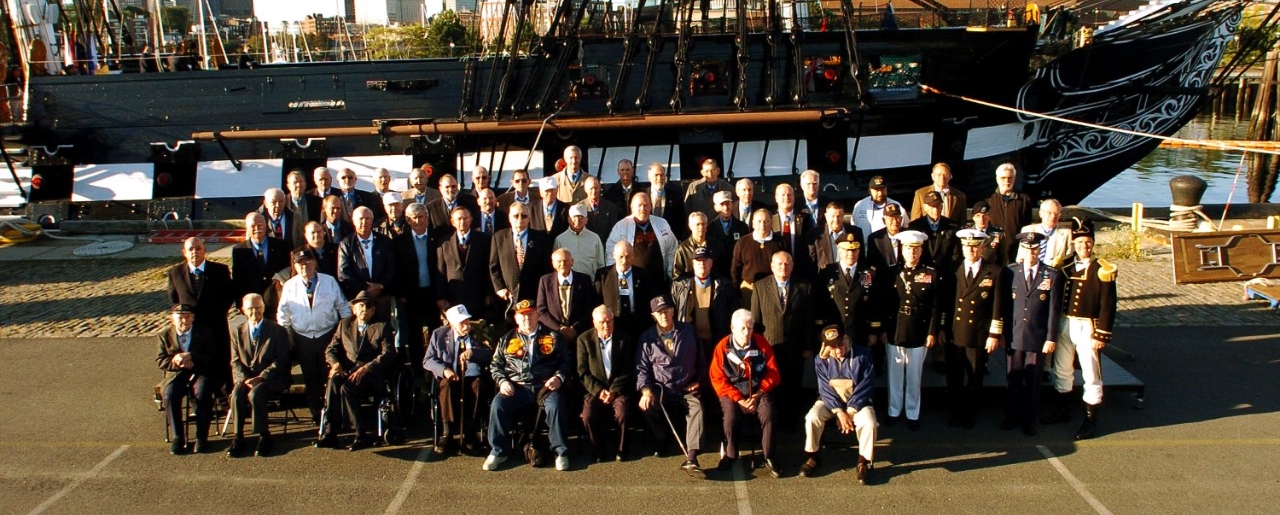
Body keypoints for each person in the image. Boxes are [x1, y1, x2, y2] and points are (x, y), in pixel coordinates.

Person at [1043, 217, 1117, 440]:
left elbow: (1108, 304)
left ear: (1093, 243)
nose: (1084, 246)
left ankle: (1090, 419)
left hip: (1087, 325)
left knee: (1090, 372)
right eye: (1079, 242)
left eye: (1087, 242)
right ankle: (1063, 409)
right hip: (1065, 323)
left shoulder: (1102, 269)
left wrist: (1102, 333)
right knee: (1062, 367)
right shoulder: (1063, 265)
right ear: (1073, 244)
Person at [484, 300, 574, 471]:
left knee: (556, 407)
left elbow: (567, 361)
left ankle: (560, 452)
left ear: (538, 316)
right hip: (517, 387)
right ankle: (498, 451)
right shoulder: (506, 339)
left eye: (531, 315)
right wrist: (502, 382)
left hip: (545, 387)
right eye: (523, 316)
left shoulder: (554, 337)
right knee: (498, 405)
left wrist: (559, 378)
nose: (527, 319)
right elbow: (495, 365)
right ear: (516, 318)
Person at [636, 295, 707, 479]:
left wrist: (698, 380)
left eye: (667, 310)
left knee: (696, 408)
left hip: (686, 387)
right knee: (647, 406)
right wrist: (646, 390)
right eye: (660, 312)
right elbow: (641, 368)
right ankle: (662, 439)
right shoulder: (646, 338)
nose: (664, 315)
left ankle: (692, 456)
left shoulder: (688, 331)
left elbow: (701, 360)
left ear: (673, 311)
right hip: (662, 389)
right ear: (653, 315)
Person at [315, 292, 396, 451]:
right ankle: (330, 432)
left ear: (373, 310)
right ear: (353, 309)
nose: (364, 309)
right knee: (333, 381)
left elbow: (388, 354)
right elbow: (331, 349)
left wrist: (367, 368)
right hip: (348, 370)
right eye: (361, 305)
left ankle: (360, 434)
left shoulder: (382, 326)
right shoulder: (344, 325)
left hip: (372, 375)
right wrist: (335, 363)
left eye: (368, 306)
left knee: (347, 388)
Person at [277, 248, 350, 425]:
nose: (305, 266)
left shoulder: (329, 281)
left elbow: (344, 308)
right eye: (300, 263)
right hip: (303, 338)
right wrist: (286, 338)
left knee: (330, 376)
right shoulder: (290, 286)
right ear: (294, 266)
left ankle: (333, 412)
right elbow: (282, 316)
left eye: (308, 262)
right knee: (311, 378)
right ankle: (316, 414)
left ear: (315, 262)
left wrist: (345, 333)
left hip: (327, 335)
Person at [942, 228, 1006, 429]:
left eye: (975, 245)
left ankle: (970, 413)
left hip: (977, 333)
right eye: (966, 245)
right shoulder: (952, 268)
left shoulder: (994, 271)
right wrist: (942, 328)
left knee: (975, 376)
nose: (970, 249)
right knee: (954, 377)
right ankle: (955, 412)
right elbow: (946, 303)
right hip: (954, 332)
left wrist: (994, 334)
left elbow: (998, 306)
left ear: (982, 247)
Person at [1001, 232, 1063, 436]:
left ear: (1040, 250)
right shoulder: (1011, 272)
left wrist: (1051, 338)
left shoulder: (1051, 275)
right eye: (1027, 248)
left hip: (1037, 337)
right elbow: (1004, 307)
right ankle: (1010, 416)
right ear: (1022, 249)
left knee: (1033, 382)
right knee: (1013, 379)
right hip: (1014, 334)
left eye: (1035, 249)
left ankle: (1029, 420)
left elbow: (1054, 310)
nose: (1031, 252)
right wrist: (1001, 333)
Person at [799, 325, 877, 483]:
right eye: (832, 347)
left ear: (846, 339)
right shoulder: (821, 360)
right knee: (812, 418)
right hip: (831, 401)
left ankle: (863, 462)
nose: (838, 350)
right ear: (826, 347)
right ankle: (813, 457)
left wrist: (850, 411)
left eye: (840, 344)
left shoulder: (863, 354)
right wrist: (839, 412)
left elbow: (866, 385)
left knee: (869, 423)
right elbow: (825, 389)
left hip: (857, 402)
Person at [709, 309, 782, 478]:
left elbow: (774, 373)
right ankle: (731, 453)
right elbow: (717, 379)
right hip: (732, 391)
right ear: (732, 328)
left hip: (758, 390)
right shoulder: (722, 347)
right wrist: (738, 399)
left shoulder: (761, 343)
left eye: (750, 328)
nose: (747, 332)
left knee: (768, 413)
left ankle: (769, 455)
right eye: (742, 328)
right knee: (730, 416)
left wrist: (758, 394)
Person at [749, 251, 815, 423]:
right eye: (779, 264)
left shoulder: (804, 287)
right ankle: (772, 419)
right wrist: (756, 347)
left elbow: (809, 320)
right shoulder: (760, 286)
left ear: (792, 266)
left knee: (793, 384)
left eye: (787, 264)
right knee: (771, 385)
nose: (783, 267)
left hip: (795, 346)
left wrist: (808, 346)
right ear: (772, 266)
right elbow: (755, 320)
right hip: (769, 347)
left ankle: (790, 419)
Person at [883, 230, 937, 431]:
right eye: (907, 249)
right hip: (896, 327)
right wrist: (884, 330)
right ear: (901, 250)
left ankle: (913, 412)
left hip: (919, 328)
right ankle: (894, 410)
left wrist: (931, 331)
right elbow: (886, 304)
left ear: (921, 251)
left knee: (914, 375)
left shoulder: (930, 273)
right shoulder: (892, 272)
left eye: (915, 250)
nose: (911, 254)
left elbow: (935, 306)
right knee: (895, 374)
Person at [424, 305, 495, 456]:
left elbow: (492, 354)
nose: (466, 325)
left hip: (472, 375)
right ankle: (448, 433)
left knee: (479, 386)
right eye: (461, 322)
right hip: (452, 376)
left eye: (467, 321)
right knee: (447, 386)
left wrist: (474, 353)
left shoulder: (480, 332)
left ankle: (471, 433)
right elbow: (428, 360)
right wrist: (444, 370)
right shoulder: (438, 334)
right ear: (451, 324)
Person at [227, 293, 291, 458]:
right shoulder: (237, 332)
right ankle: (238, 436)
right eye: (251, 308)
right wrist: (244, 380)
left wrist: (262, 377)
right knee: (236, 394)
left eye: (258, 307)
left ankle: (264, 435)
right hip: (247, 378)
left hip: (273, 378)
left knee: (257, 393)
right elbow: (235, 361)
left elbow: (281, 361)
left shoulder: (277, 331)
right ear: (243, 310)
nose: (255, 311)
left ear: (264, 308)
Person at [166, 237, 235, 391]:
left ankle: (225, 400)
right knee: (195, 365)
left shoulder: (220, 270)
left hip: (216, 325)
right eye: (191, 249)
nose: (195, 252)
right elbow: (174, 300)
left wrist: (216, 314)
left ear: (205, 250)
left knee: (221, 363)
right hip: (192, 329)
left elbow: (228, 296)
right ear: (184, 252)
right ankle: (198, 402)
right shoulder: (175, 273)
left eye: (198, 248)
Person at [577, 306, 636, 462]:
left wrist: (614, 391)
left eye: (609, 321)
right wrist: (598, 391)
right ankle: (597, 449)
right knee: (588, 414)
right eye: (602, 322)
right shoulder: (584, 339)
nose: (606, 325)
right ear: (594, 323)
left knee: (622, 411)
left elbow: (628, 368)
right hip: (595, 389)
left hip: (618, 388)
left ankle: (622, 449)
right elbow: (582, 372)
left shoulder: (624, 338)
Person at [157, 303, 216, 455]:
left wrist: (193, 357)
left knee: (203, 393)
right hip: (176, 374)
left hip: (199, 372)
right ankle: (178, 436)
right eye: (180, 318)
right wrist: (176, 361)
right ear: (172, 319)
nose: (184, 321)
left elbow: (212, 356)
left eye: (188, 317)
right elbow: (161, 361)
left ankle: (201, 437)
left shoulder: (205, 333)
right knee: (170, 394)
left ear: (193, 317)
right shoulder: (164, 335)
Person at [815, 233, 882, 348]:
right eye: (846, 250)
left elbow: (874, 304)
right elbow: (819, 304)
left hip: (860, 332)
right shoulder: (827, 272)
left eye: (854, 250)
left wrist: (873, 331)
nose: (851, 254)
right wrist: (820, 329)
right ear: (839, 251)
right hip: (833, 333)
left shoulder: (868, 273)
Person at [393, 202, 439, 367]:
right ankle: (418, 372)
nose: (419, 221)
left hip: (433, 294)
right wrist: (402, 295)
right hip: (412, 296)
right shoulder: (400, 242)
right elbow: (396, 270)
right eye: (414, 218)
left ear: (427, 217)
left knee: (436, 332)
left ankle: (436, 369)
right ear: (408, 220)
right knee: (414, 336)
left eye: (422, 217)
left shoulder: (437, 238)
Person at [670, 246, 737, 357]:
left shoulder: (724, 286)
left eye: (705, 260)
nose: (702, 264)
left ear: (711, 262)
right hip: (689, 343)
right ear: (692, 263)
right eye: (698, 261)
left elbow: (733, 313)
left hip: (716, 342)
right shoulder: (680, 286)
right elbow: (674, 313)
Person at [436, 205, 494, 321]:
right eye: (459, 219)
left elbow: (490, 268)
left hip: (478, 296)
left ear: (471, 219)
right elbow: (441, 271)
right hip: (454, 297)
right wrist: (441, 297)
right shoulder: (444, 243)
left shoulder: (484, 240)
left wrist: (489, 293)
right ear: (452, 222)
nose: (462, 221)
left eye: (465, 218)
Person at [605, 192, 680, 282]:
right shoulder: (621, 226)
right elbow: (610, 254)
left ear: (650, 207)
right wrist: (618, 278)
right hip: (634, 282)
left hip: (658, 281)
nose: (643, 208)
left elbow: (673, 249)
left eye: (646, 205)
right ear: (632, 208)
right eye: (639, 205)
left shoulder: (662, 224)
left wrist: (670, 273)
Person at [337, 207, 397, 315]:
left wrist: (380, 285)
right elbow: (343, 273)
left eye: (368, 218)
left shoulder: (385, 241)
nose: (364, 222)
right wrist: (365, 288)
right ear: (354, 221)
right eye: (361, 219)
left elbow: (392, 267)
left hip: (383, 296)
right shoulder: (346, 244)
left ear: (372, 220)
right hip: (359, 299)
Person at [491, 202, 554, 305]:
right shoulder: (498, 237)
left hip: (534, 295)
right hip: (508, 297)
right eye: (516, 216)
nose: (520, 219)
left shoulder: (541, 238)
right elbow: (493, 267)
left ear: (529, 218)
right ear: (509, 217)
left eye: (524, 216)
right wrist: (500, 288)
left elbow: (547, 267)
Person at [232, 212, 291, 320]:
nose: (257, 229)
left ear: (266, 226)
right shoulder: (239, 250)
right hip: (253, 305)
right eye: (253, 226)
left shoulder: (281, 246)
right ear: (247, 228)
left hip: (276, 302)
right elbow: (237, 279)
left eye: (260, 225)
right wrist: (240, 303)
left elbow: (288, 269)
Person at [596, 241, 658, 336]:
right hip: (613, 326)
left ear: (633, 256)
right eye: (621, 257)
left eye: (628, 256)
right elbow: (597, 302)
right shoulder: (602, 275)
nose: (624, 261)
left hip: (637, 326)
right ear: (614, 255)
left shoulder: (643, 275)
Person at [536, 249, 598, 341]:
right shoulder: (545, 281)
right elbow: (541, 311)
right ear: (553, 264)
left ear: (572, 262)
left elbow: (589, 308)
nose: (562, 264)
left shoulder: (584, 280)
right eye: (559, 261)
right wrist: (559, 328)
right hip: (554, 335)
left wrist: (575, 328)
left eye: (565, 261)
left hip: (579, 335)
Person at [731, 208, 787, 309]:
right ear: (753, 223)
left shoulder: (780, 242)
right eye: (759, 221)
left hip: (773, 288)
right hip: (749, 289)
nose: (762, 225)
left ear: (771, 223)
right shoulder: (743, 242)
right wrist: (736, 291)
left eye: (766, 221)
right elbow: (735, 269)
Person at [984, 163, 1034, 263]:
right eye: (1003, 178)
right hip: (995, 250)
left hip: (1016, 249)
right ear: (997, 179)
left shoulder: (1024, 200)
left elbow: (1027, 225)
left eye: (1010, 178)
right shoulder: (989, 200)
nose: (1007, 181)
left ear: (1014, 179)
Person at [907, 190, 960, 273]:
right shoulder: (915, 226)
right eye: (932, 206)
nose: (936, 209)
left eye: (938, 206)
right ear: (925, 207)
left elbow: (956, 255)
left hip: (945, 273)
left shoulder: (952, 226)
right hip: (922, 273)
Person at [809, 202, 864, 273]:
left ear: (843, 216)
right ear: (826, 216)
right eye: (832, 216)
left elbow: (861, 260)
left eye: (839, 216)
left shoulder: (856, 232)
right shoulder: (815, 234)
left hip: (850, 279)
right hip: (825, 279)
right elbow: (811, 262)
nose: (836, 220)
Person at [1017, 198, 1073, 268]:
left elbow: (1069, 257)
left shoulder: (1066, 233)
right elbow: (1020, 257)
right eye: (1049, 213)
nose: (1053, 216)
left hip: (1053, 273)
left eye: (1056, 213)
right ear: (1041, 213)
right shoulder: (1028, 230)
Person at [851, 175, 904, 246]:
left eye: (882, 189)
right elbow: (853, 226)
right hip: (863, 248)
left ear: (886, 189)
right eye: (876, 190)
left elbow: (904, 226)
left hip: (886, 250)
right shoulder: (860, 205)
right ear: (870, 190)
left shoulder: (897, 206)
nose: (880, 193)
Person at [554, 204, 606, 276]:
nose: (578, 220)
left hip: (590, 282)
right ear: (569, 219)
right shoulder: (560, 240)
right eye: (574, 217)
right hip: (570, 281)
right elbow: (555, 265)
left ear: (586, 220)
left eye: (581, 217)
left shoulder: (595, 238)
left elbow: (601, 264)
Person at [672, 212, 726, 279]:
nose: (701, 227)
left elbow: (724, 270)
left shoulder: (717, 245)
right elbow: (677, 275)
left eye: (703, 224)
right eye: (697, 224)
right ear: (690, 226)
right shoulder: (683, 249)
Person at [645, 163, 686, 235]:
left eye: (662, 175)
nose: (659, 178)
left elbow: (681, 221)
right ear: (649, 178)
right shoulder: (642, 195)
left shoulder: (676, 195)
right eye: (656, 175)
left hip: (670, 238)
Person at [772, 183, 811, 257]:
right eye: (783, 195)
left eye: (789, 195)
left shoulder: (805, 219)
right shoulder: (770, 219)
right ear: (776, 198)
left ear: (794, 197)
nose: (787, 197)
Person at [865, 203, 906, 271]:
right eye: (891, 219)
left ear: (901, 219)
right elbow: (871, 263)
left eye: (897, 217)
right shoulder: (875, 239)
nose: (895, 221)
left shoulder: (908, 235)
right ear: (884, 221)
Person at [967, 200, 1009, 266]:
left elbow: (1003, 260)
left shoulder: (998, 234)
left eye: (985, 215)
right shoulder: (966, 233)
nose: (982, 219)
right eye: (978, 215)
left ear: (990, 217)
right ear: (973, 217)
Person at [709, 191, 749, 259]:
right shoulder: (710, 229)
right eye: (722, 204)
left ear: (732, 204)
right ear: (715, 207)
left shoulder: (742, 227)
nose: (726, 207)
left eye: (728, 204)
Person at [580, 176, 620, 241]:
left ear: (600, 188)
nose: (594, 191)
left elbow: (613, 230)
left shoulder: (611, 207)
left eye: (596, 188)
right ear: (585, 189)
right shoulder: (579, 208)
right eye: (591, 188)